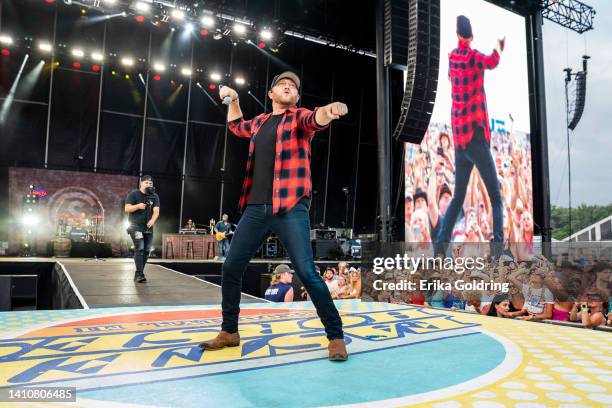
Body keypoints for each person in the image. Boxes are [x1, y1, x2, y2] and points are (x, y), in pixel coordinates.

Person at [199, 71, 349, 361]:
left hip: (290, 206)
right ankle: (229, 331)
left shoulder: (298, 118)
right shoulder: (261, 122)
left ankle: (335, 336)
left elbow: (315, 119)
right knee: (230, 268)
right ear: (271, 94)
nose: (288, 87)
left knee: (306, 272)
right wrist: (235, 99)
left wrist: (330, 111)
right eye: (283, 84)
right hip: (256, 208)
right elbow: (235, 125)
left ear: (296, 97)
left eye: (293, 86)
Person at [435, 15, 505, 259]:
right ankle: (498, 252)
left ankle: (440, 247)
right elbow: (493, 61)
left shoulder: (452, 57)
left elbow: (450, 78)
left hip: (459, 142)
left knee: (458, 196)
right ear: (471, 36)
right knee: (496, 198)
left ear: (457, 35)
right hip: (475, 136)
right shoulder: (475, 58)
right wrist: (499, 46)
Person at [124, 175, 160, 283]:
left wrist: (153, 220)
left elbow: (156, 211)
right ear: (141, 183)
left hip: (148, 228)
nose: (149, 185)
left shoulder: (155, 196)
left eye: (150, 183)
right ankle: (140, 274)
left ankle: (139, 273)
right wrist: (138, 206)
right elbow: (127, 208)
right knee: (140, 248)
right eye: (146, 183)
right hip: (135, 227)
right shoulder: (134, 194)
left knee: (147, 251)